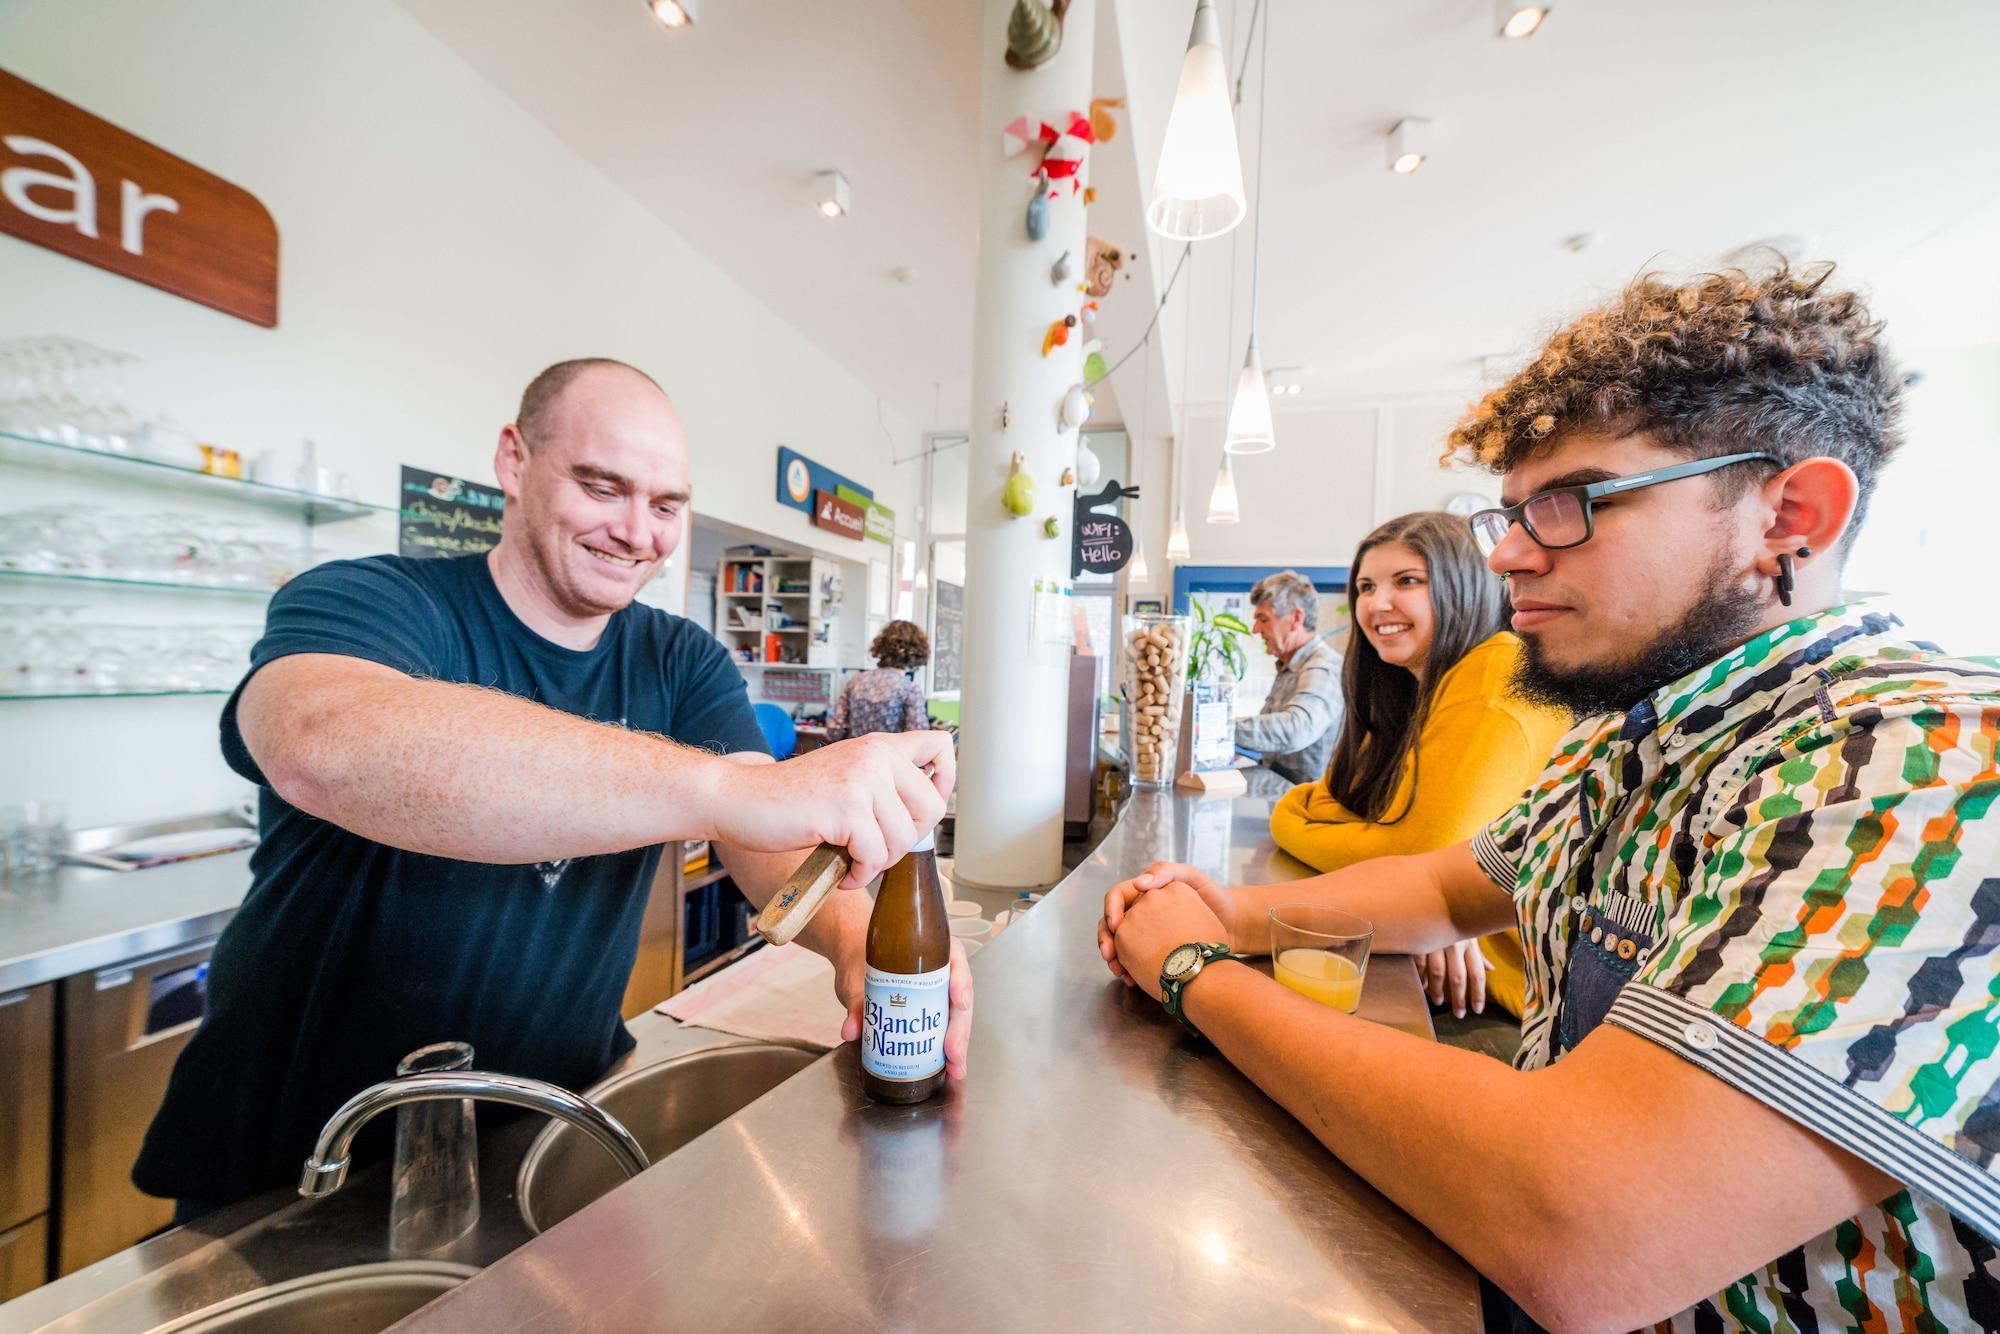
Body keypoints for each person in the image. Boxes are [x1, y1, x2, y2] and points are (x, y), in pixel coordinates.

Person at [1097, 263, 2000, 1329]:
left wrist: (1195, 967)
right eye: (1512, 513)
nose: (1512, 554)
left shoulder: (1928, 757)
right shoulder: (1629, 732)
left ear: (1786, 516)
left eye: (1571, 504)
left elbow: (1586, 1223)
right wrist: (1222, 904)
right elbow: (1446, 881)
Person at [133, 359, 972, 1220]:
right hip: (302, 1163)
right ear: (513, 460)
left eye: (666, 506)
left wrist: (855, 938)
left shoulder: (678, 660)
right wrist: (725, 787)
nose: (636, 532)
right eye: (602, 487)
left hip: (547, 1129)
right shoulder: (376, 600)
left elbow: (766, 841)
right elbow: (319, 743)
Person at [1267, 513, 1567, 1022]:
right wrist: (1420, 903)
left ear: (1460, 585)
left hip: (1507, 1010)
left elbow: (1412, 857)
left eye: (1407, 581)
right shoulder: (1408, 691)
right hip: (1435, 972)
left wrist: (1292, 813)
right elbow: (1359, 814)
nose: (1376, 604)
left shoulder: (1497, 669)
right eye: (1365, 586)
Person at [1232, 570, 1344, 784]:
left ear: (1296, 618)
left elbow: (1297, 729)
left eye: (1263, 619)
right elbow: (1270, 739)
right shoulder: (1289, 667)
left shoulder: (1323, 666)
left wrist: (1222, 729)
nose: (1255, 629)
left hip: (1309, 810)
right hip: (1283, 802)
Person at [824, 619, 937, 739]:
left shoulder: (855, 681)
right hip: (888, 755)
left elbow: (833, 730)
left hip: (855, 754)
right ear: (917, 651)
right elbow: (919, 736)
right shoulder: (909, 689)